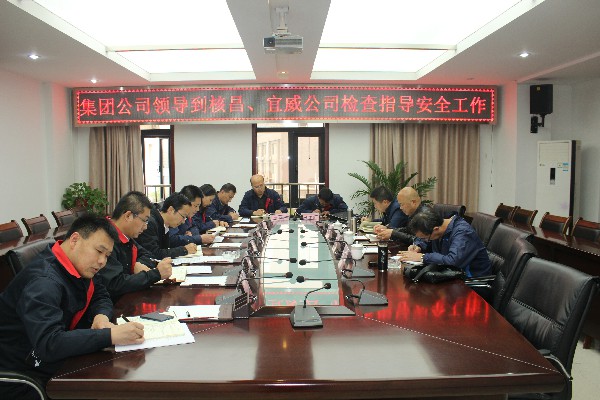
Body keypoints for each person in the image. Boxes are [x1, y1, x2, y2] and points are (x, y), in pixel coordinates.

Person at [0, 216, 145, 400]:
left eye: (107, 256)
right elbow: (49, 343)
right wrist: (109, 336)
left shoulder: (78, 264)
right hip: (23, 373)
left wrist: (101, 317)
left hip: (58, 357)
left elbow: (100, 294)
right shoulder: (43, 282)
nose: (102, 261)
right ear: (75, 240)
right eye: (99, 251)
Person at [97, 191, 173, 302]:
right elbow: (115, 284)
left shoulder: (126, 235)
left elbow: (147, 255)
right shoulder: (106, 238)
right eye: (144, 220)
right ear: (128, 216)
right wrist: (155, 274)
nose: (145, 227)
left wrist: (136, 264)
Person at [400, 209, 492, 278]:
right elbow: (428, 241)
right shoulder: (438, 229)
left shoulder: (463, 232)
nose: (425, 240)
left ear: (436, 229)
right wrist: (418, 246)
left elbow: (453, 261)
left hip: (470, 282)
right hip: (451, 275)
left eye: (424, 238)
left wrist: (423, 257)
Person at [137, 192, 197, 258]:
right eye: (183, 216)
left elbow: (165, 249)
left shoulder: (165, 225)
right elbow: (153, 253)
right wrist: (184, 250)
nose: (183, 222)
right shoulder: (150, 223)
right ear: (171, 210)